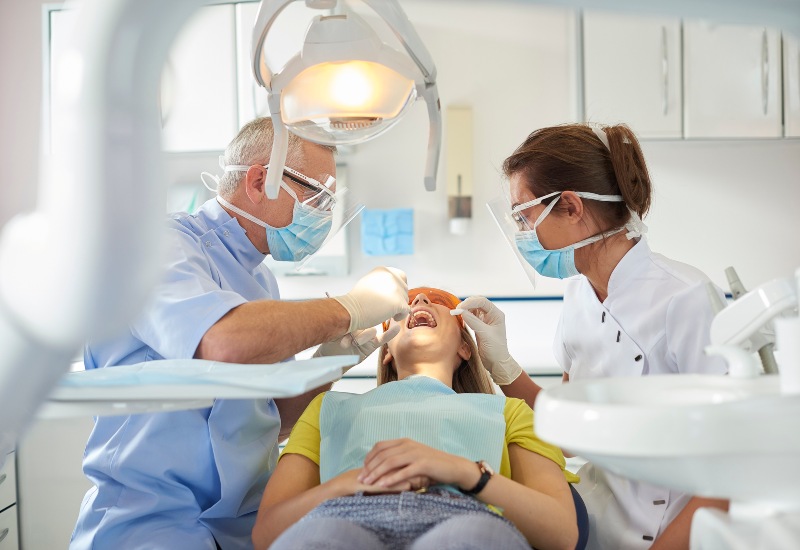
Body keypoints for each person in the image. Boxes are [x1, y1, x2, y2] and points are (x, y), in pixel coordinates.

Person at [70, 117, 411, 550]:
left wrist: (333, 358)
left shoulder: (259, 283)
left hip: (238, 528)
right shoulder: (155, 248)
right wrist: (349, 307)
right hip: (148, 524)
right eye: (317, 196)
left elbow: (268, 421)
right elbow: (222, 343)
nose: (323, 214)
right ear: (258, 182)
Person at [456, 123, 729, 549]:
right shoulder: (579, 298)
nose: (521, 234)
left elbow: (728, 472)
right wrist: (503, 366)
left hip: (673, 534)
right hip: (598, 525)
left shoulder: (686, 297)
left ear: (569, 206)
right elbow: (567, 435)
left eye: (523, 216)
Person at [252, 287, 589, 550]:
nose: (422, 299)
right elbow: (267, 533)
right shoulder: (326, 408)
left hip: (463, 517)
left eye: (438, 300)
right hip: (343, 516)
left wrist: (463, 471)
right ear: (385, 352)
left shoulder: (510, 412)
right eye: (407, 303)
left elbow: (561, 534)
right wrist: (349, 483)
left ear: (465, 348)